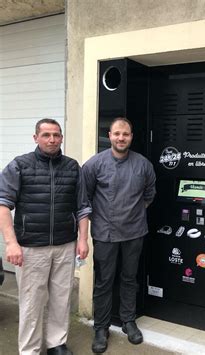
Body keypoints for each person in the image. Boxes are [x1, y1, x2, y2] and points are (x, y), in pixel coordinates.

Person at [0, 118, 91, 355]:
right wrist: (11, 243)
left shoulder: (72, 167)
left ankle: (56, 343)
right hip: (31, 248)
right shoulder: (20, 165)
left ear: (61, 138)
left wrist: (83, 239)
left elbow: (82, 207)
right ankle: (30, 350)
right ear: (36, 138)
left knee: (61, 299)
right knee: (32, 303)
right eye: (46, 135)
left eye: (57, 135)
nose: (52, 139)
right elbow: (3, 205)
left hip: (65, 245)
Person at [82, 117, 156, 353]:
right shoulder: (94, 164)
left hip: (134, 232)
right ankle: (101, 327)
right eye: (117, 134)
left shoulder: (143, 165)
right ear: (110, 136)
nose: (121, 138)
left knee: (129, 278)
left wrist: (132, 215)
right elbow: (85, 197)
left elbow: (149, 195)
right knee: (103, 281)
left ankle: (128, 320)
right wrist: (101, 219)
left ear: (131, 136)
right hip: (104, 233)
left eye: (125, 134)